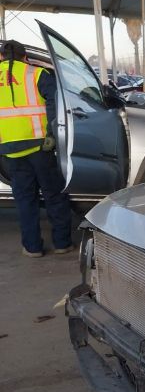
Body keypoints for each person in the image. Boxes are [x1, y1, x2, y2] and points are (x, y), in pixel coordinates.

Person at [0, 40, 73, 257]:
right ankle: (62, 243)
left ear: (2, 57)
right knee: (54, 195)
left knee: (25, 199)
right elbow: (56, 102)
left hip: (10, 149)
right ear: (25, 57)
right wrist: (53, 133)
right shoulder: (37, 74)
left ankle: (32, 248)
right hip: (40, 145)